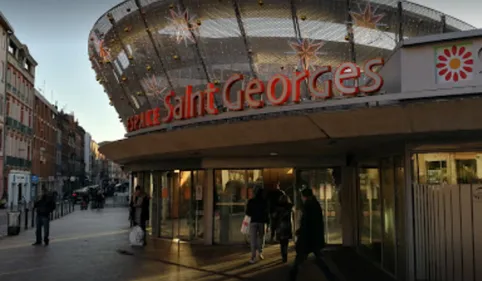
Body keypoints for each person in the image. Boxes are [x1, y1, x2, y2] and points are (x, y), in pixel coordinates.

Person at [289, 188, 337, 281]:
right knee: (317, 257)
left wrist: (300, 232)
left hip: (308, 238)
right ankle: (330, 276)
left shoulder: (308, 205)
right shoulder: (315, 204)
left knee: (300, 258)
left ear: (304, 196)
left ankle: (292, 276)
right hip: (314, 237)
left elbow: (306, 223)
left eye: (302, 196)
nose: (302, 198)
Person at [245, 186, 269, 264]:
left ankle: (253, 256)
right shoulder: (264, 201)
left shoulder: (251, 201)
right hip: (262, 222)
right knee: (261, 238)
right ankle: (260, 252)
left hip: (253, 221)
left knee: (253, 239)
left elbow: (248, 212)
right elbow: (266, 213)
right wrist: (268, 224)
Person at [274, 194, 294, 263]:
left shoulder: (278, 207)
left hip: (280, 226)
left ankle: (283, 256)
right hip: (288, 226)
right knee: (286, 242)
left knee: (282, 243)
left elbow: (274, 217)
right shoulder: (290, 206)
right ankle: (285, 256)